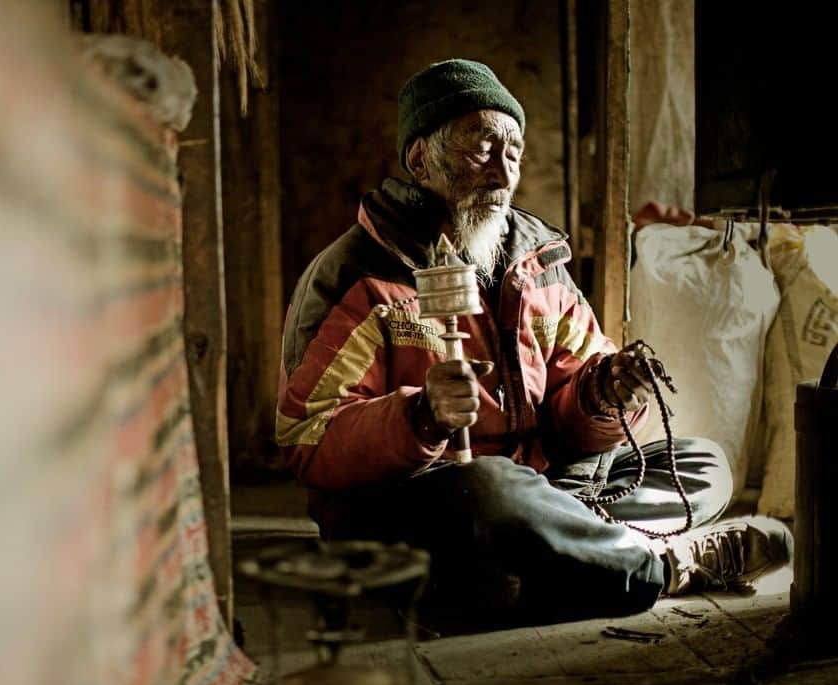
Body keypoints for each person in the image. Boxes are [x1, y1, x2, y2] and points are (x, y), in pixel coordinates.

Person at [275, 59, 792, 623]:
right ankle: (660, 567)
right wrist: (421, 417)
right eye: (481, 149)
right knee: (490, 490)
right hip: (424, 505)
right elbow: (308, 437)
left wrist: (604, 394)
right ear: (420, 158)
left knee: (705, 465)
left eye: (513, 153)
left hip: (546, 489)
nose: (501, 174)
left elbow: (575, 410)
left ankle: (551, 553)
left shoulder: (536, 263)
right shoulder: (355, 272)